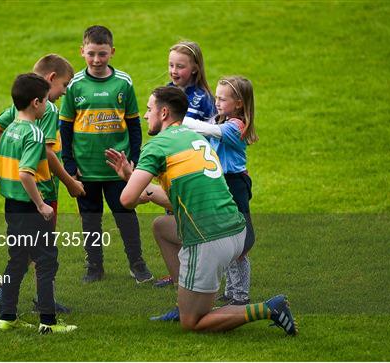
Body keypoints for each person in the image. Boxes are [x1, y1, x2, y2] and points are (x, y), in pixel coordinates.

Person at [105, 86, 297, 335]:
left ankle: (269, 308)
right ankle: (185, 296)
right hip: (235, 231)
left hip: (209, 238)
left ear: (164, 113)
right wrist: (131, 176)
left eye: (149, 109)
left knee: (192, 322)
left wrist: (128, 181)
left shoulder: (157, 146)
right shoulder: (193, 137)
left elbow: (127, 200)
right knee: (162, 227)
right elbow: (175, 201)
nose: (145, 116)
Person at [0, 54, 84, 317]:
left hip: (18, 194)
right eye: (64, 84)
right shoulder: (48, 109)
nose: (64, 92)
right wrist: (70, 182)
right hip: (42, 189)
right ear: (51, 79)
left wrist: (15, 154)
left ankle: (7, 303)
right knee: (42, 251)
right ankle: (32, 306)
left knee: (26, 250)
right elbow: (48, 153)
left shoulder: (20, 106)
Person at [59, 25, 153, 283]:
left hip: (117, 168)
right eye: (91, 54)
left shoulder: (123, 82)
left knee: (125, 215)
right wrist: (68, 161)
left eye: (102, 54)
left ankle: (137, 264)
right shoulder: (75, 85)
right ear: (82, 52)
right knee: (90, 220)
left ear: (112, 51)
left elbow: (134, 123)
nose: (97, 60)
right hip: (85, 168)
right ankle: (94, 266)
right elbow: (65, 126)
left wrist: (133, 157)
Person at [183, 76, 257, 305]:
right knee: (224, 238)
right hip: (219, 183)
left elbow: (205, 129)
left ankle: (241, 296)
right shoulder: (219, 119)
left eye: (222, 99)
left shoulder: (236, 126)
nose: (216, 102)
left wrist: (177, 118)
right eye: (216, 97)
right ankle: (230, 292)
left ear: (239, 104)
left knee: (240, 243)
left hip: (235, 185)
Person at [154, 40, 217, 288]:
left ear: (195, 68)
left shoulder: (203, 99)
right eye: (171, 65)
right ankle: (177, 272)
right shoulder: (167, 91)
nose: (173, 70)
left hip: (192, 167)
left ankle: (195, 274)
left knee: (187, 220)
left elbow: (211, 134)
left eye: (180, 66)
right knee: (173, 217)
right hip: (171, 165)